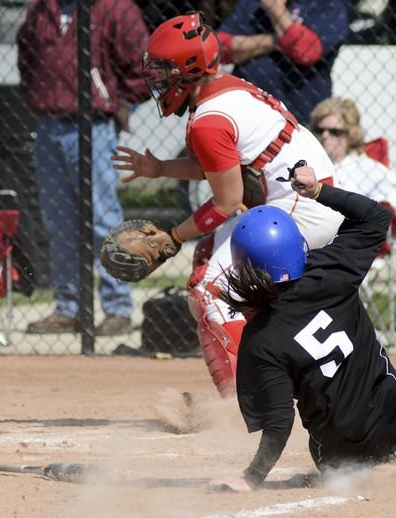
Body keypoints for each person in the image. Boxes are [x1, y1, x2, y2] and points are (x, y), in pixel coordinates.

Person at [210, 166, 396, 491]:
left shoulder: (260, 338)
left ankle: (388, 470)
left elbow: (279, 423)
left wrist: (252, 477)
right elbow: (375, 216)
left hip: (338, 448)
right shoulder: (331, 273)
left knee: (333, 465)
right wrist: (318, 190)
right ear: (296, 245)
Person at [112, 12, 343, 397]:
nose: (158, 81)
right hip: (304, 197)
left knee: (207, 290)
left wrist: (172, 236)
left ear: (189, 69)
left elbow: (226, 201)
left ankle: (243, 402)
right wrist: (158, 168)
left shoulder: (208, 120)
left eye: (165, 71)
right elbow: (221, 169)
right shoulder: (226, 88)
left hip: (302, 207)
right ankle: (267, 378)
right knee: (212, 258)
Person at [17, 0, 150, 335]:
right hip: (48, 126)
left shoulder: (115, 8)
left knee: (103, 218)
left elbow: (145, 67)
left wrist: (120, 102)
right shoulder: (41, 9)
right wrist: (38, 95)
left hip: (94, 126)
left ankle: (118, 307)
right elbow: (27, 56)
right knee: (58, 220)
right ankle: (69, 307)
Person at [310, 97, 396, 245]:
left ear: (351, 135)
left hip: (348, 243)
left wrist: (376, 205)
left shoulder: (365, 167)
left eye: (335, 132)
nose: (325, 136)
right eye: (320, 130)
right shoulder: (309, 163)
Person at [216, 0, 349, 125]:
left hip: (299, 117)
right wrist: (277, 41)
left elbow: (306, 52)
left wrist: (275, 8)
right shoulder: (253, 3)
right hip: (247, 111)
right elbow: (218, 48)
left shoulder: (328, 5)